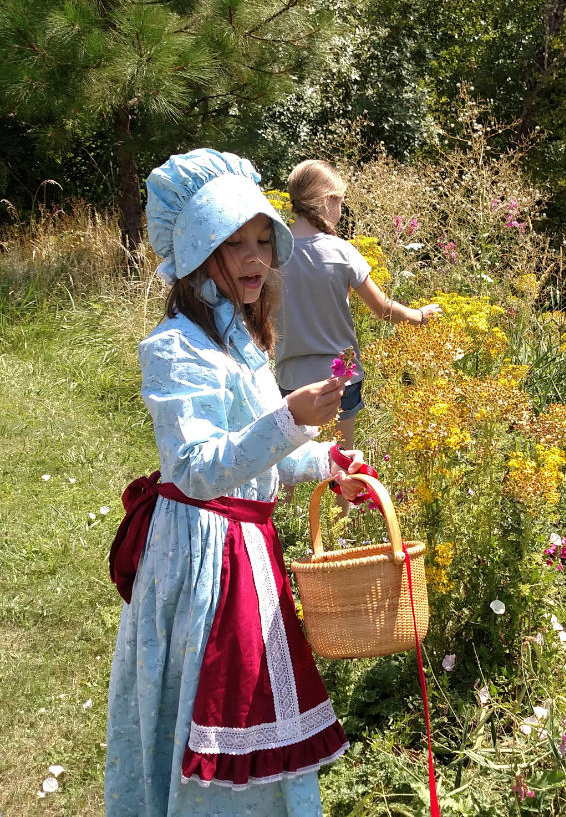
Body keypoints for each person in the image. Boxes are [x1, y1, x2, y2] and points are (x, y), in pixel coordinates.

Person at [105, 148, 369, 815]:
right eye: (235, 243)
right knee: (208, 705)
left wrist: (327, 465)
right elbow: (196, 467)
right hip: (200, 557)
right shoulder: (174, 348)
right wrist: (286, 418)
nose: (255, 257)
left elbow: (265, 457)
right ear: (197, 252)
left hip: (244, 554)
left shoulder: (245, 347)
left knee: (257, 702)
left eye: (262, 241)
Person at [275, 159, 441, 448]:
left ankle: (285, 497)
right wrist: (419, 316)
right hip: (340, 377)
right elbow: (383, 309)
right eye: (340, 202)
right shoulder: (343, 252)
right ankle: (341, 496)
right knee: (342, 461)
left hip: (290, 378)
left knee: (289, 465)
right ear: (328, 201)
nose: (340, 211)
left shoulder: (274, 253)